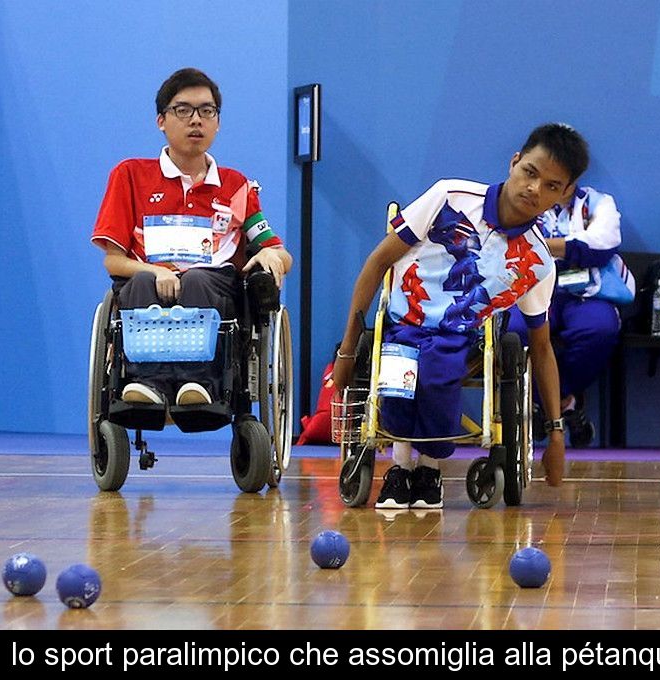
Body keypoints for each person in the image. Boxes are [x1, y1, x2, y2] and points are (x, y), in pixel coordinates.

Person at [333, 123, 589, 510]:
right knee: (400, 375)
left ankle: (430, 471)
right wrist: (348, 351)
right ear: (514, 162)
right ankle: (400, 470)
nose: (535, 189)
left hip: (462, 336)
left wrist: (555, 433)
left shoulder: (537, 263)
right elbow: (377, 262)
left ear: (565, 194)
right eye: (530, 173)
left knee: (436, 369)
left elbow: (541, 346)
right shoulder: (449, 195)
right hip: (403, 320)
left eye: (552, 186)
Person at [91, 68, 292, 406]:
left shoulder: (235, 186)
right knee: (140, 284)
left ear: (217, 122)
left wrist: (272, 256)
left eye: (207, 111)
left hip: (213, 288)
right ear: (161, 120)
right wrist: (156, 271)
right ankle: (147, 385)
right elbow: (113, 259)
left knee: (199, 280)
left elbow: (278, 251)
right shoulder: (129, 175)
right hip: (149, 281)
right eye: (183, 110)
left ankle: (199, 384)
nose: (196, 120)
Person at [506, 184, 624, 448]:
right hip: (531, 286)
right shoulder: (520, 199)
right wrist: (569, 248)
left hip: (583, 291)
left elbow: (601, 245)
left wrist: (543, 246)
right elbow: (506, 243)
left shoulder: (597, 201)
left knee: (599, 329)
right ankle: (564, 406)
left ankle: (550, 402)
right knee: (513, 331)